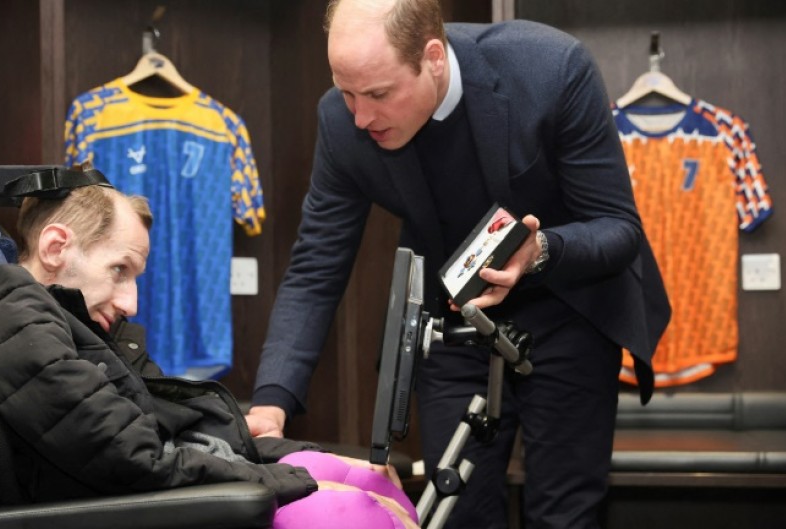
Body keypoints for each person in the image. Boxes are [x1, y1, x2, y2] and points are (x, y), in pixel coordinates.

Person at [246, 1, 671, 528]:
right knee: (459, 511)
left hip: (571, 310)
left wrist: (537, 251)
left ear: (433, 58)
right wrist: (272, 399)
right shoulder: (341, 121)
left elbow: (617, 227)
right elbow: (317, 263)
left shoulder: (550, 70)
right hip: (452, 321)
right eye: (346, 91)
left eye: (378, 94)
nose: (360, 116)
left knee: (564, 514)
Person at [0, 182, 418, 528]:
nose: (131, 302)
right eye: (119, 270)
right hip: (121, 507)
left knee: (370, 480)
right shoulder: (15, 323)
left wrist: (310, 459)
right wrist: (284, 479)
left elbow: (176, 423)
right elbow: (137, 460)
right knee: (352, 513)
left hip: (152, 486)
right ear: (56, 247)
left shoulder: (73, 319)